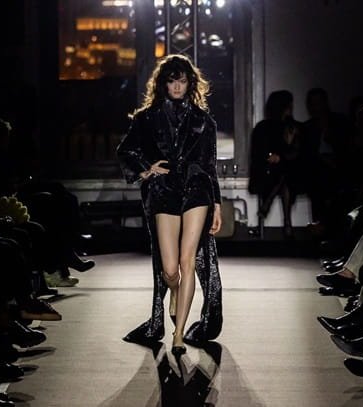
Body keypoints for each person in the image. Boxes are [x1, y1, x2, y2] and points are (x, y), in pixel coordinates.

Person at [116, 54, 223, 354]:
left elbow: (209, 165)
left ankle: (178, 334)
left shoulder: (204, 121)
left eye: (182, 81)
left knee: (188, 261)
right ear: (163, 83)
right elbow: (125, 150)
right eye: (172, 81)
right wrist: (146, 169)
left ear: (190, 83)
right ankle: (174, 291)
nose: (177, 86)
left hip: (197, 189)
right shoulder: (146, 118)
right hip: (164, 191)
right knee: (169, 268)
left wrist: (216, 204)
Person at [248, 90, 302, 238]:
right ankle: (287, 223)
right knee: (284, 175)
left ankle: (267, 205)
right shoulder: (263, 127)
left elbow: (295, 155)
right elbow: (258, 153)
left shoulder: (291, 127)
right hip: (266, 171)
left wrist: (289, 142)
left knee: (286, 173)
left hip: (285, 171)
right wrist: (271, 156)